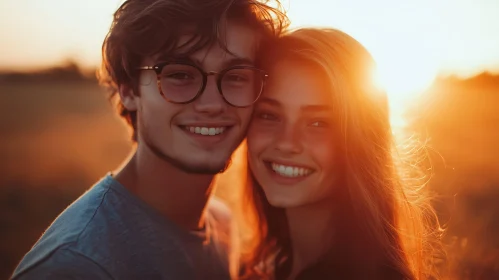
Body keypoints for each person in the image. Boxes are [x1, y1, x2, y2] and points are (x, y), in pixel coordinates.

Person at [11, 0, 287, 279]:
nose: (212, 104)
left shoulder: (223, 224)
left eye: (236, 76)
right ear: (128, 90)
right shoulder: (76, 265)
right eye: (180, 74)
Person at [239, 28, 442, 279]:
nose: (287, 143)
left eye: (318, 123)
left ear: (361, 141)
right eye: (269, 115)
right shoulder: (266, 264)